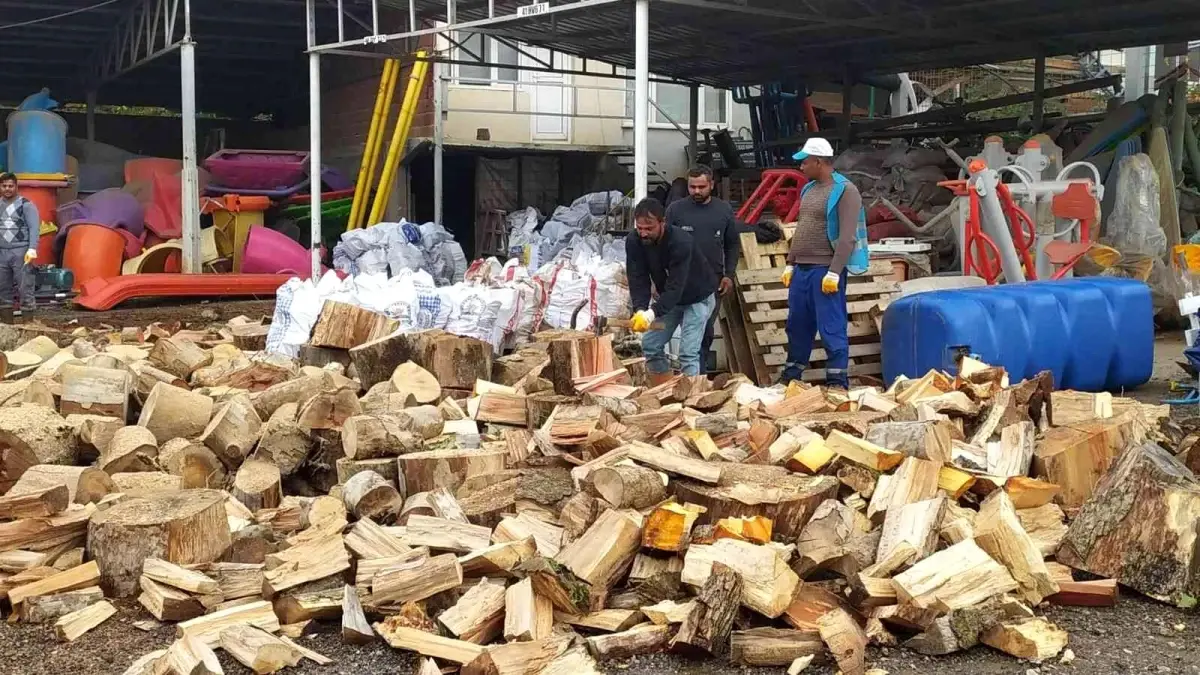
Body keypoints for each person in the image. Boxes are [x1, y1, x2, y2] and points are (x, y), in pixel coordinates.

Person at [780, 138, 869, 389]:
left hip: (824, 270)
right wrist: (791, 261)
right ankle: (791, 376)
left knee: (831, 325)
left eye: (804, 162)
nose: (801, 167)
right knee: (797, 324)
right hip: (802, 269)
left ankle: (837, 380)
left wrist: (834, 271)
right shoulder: (808, 189)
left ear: (819, 162)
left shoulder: (845, 190)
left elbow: (847, 236)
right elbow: (803, 228)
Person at [626, 197, 717, 381]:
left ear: (663, 223)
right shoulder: (634, 241)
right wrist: (640, 309)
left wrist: (652, 314)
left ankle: (691, 399)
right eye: (640, 228)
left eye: (649, 228)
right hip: (670, 298)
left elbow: (676, 286)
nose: (643, 233)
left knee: (688, 353)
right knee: (651, 345)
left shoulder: (681, 242)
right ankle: (663, 389)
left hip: (697, 297)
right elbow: (638, 278)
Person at [666, 164, 740, 373]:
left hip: (712, 284)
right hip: (681, 284)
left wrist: (729, 275)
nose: (696, 191)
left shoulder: (723, 210)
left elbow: (732, 244)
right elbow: (663, 245)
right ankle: (687, 379)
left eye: (701, 187)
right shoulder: (676, 210)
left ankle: (700, 379)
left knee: (704, 332)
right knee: (685, 334)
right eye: (692, 187)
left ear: (711, 185)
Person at [0, 173, 39, 313]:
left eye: (10, 186)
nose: (7, 189)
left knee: (25, 288)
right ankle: (6, 327)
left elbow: (34, 227)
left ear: (16, 186)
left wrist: (32, 248)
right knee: (2, 289)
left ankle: (29, 324)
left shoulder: (26, 205)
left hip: (21, 252)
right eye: (4, 186)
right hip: (2, 252)